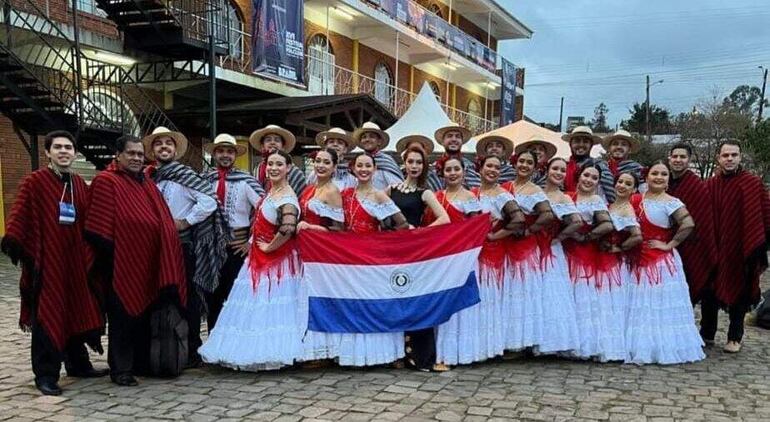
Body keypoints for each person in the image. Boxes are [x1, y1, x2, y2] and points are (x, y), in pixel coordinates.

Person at [1, 130, 106, 395]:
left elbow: (91, 217)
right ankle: (46, 374)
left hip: (75, 263)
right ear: (47, 152)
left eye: (68, 147)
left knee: (76, 310)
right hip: (47, 263)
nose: (63, 151)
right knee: (48, 315)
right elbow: (20, 214)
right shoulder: (34, 182)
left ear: (74, 153)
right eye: (57, 147)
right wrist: (21, 248)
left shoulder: (80, 184)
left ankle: (78, 364)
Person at [85, 135, 186, 386]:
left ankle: (142, 363)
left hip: (149, 263)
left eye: (140, 154)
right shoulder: (106, 182)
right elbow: (98, 227)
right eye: (131, 154)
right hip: (120, 265)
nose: (136, 158)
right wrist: (120, 257)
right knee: (123, 319)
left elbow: (160, 219)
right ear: (118, 155)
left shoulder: (146, 183)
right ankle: (121, 370)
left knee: (143, 317)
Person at [199, 150, 304, 370]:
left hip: (276, 263)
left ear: (288, 168)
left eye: (279, 164)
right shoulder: (272, 191)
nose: (274, 168)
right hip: (259, 259)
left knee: (271, 307)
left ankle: (272, 351)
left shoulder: (287, 195)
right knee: (256, 306)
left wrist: (269, 246)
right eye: (270, 164)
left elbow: (287, 228)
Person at [144, 126, 226, 367]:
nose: (164, 147)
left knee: (187, 297)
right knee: (159, 297)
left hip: (182, 245)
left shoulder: (186, 175)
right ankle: (162, 347)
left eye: (168, 144)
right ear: (153, 150)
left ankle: (191, 349)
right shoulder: (148, 178)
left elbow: (209, 200)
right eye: (159, 144)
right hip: (155, 245)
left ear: (175, 149)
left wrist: (186, 221)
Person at [626, 162, 705, 364]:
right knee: (637, 303)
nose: (659, 177)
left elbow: (688, 223)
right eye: (654, 173)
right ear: (647, 177)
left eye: (663, 174)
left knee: (657, 304)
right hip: (636, 257)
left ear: (668, 180)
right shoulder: (635, 199)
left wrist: (670, 244)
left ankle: (660, 345)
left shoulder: (671, 202)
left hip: (660, 262)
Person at [339, 153, 409, 366]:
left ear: (375, 169)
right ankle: (355, 353)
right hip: (350, 255)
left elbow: (402, 224)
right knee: (354, 303)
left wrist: (384, 239)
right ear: (353, 168)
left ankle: (382, 353)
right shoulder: (345, 194)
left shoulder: (380, 196)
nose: (363, 169)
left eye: (367, 166)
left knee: (374, 302)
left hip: (371, 255)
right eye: (359, 165)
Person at [387, 146, 451, 372]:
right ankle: (395, 354)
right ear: (404, 163)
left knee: (414, 299)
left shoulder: (425, 192)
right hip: (392, 249)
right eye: (411, 161)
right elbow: (377, 213)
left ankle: (422, 357)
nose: (414, 166)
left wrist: (419, 232)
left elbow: (445, 219)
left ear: (424, 167)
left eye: (419, 163)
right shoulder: (390, 189)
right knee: (393, 298)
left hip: (414, 252)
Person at [704, 141, 770, 353]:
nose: (730, 159)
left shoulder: (752, 183)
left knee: (740, 291)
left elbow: (764, 214)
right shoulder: (710, 185)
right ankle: (707, 333)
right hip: (715, 248)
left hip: (742, 248)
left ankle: (735, 336)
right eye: (725, 155)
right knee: (710, 290)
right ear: (718, 158)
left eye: (734, 155)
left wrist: (758, 244)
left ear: (740, 157)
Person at [202, 134, 265, 331]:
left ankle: (234, 341)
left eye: (229, 151)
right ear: (214, 154)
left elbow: (266, 210)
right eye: (221, 151)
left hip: (236, 249)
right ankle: (213, 340)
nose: (225, 155)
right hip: (210, 248)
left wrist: (251, 241)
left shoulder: (246, 181)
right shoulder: (204, 180)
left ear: (235, 155)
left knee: (234, 296)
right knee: (211, 296)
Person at [562, 161, 624, 362]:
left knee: (584, 298)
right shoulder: (568, 196)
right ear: (579, 176)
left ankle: (585, 344)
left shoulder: (595, 200)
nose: (589, 180)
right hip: (566, 252)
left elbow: (607, 224)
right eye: (586, 175)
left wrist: (586, 237)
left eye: (594, 178)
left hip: (585, 255)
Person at [431, 157, 487, 365]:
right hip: (441, 259)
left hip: (462, 258)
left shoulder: (470, 197)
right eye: (448, 170)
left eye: (456, 169)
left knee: (460, 304)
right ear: (442, 173)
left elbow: (476, 226)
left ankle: (461, 352)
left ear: (464, 172)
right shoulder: (437, 197)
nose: (452, 173)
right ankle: (440, 350)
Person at [473, 155, 526, 361]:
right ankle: (479, 344)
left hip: (494, 251)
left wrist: (496, 235)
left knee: (490, 297)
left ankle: (492, 345)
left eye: (497, 167)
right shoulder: (474, 193)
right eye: (489, 166)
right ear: (481, 168)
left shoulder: (502, 195)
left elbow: (519, 220)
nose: (492, 170)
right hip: (476, 251)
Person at [298, 148, 345, 362]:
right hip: (303, 250)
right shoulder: (308, 189)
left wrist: (311, 228)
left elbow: (339, 228)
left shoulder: (332, 192)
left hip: (322, 253)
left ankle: (325, 349)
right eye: (318, 161)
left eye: (327, 162)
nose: (321, 165)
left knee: (319, 298)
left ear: (334, 167)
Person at [505, 150, 554, 353]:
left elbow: (547, 214)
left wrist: (529, 230)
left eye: (529, 163)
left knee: (522, 291)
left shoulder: (535, 190)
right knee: (508, 291)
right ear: (515, 163)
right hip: (506, 242)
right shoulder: (506, 186)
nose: (524, 165)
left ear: (535, 168)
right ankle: (508, 339)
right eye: (521, 161)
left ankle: (522, 341)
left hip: (524, 244)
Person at [540, 158, 582, 354]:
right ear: (547, 170)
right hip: (531, 246)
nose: (558, 173)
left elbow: (576, 221)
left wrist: (559, 237)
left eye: (562, 170)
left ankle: (552, 341)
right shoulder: (536, 192)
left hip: (551, 248)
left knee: (551, 293)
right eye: (555, 168)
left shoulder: (563, 198)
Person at [667, 143, 718, 305]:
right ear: (669, 158)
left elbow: (700, 222)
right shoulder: (665, 181)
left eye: (682, 157)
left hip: (690, 246)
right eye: (675, 156)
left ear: (688, 160)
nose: (678, 160)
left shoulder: (696, 186)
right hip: (664, 247)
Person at [250, 124, 307, 194]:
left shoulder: (295, 172)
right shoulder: (257, 170)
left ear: (283, 147)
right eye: (268, 140)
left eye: (277, 140)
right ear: (262, 146)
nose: (272, 142)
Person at [562, 126, 614, 202]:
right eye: (577, 141)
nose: (581, 145)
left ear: (591, 145)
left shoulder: (599, 166)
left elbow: (610, 196)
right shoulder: (563, 165)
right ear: (570, 144)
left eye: (585, 141)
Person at [352, 122, 403, 190]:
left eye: (372, 136)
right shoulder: (357, 162)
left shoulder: (386, 161)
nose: (367, 139)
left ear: (379, 141)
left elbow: (397, 187)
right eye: (364, 137)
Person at [434, 123, 481, 188]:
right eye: (450, 136)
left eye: (457, 136)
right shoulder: (434, 168)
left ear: (462, 141)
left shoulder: (471, 167)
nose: (454, 139)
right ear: (443, 141)